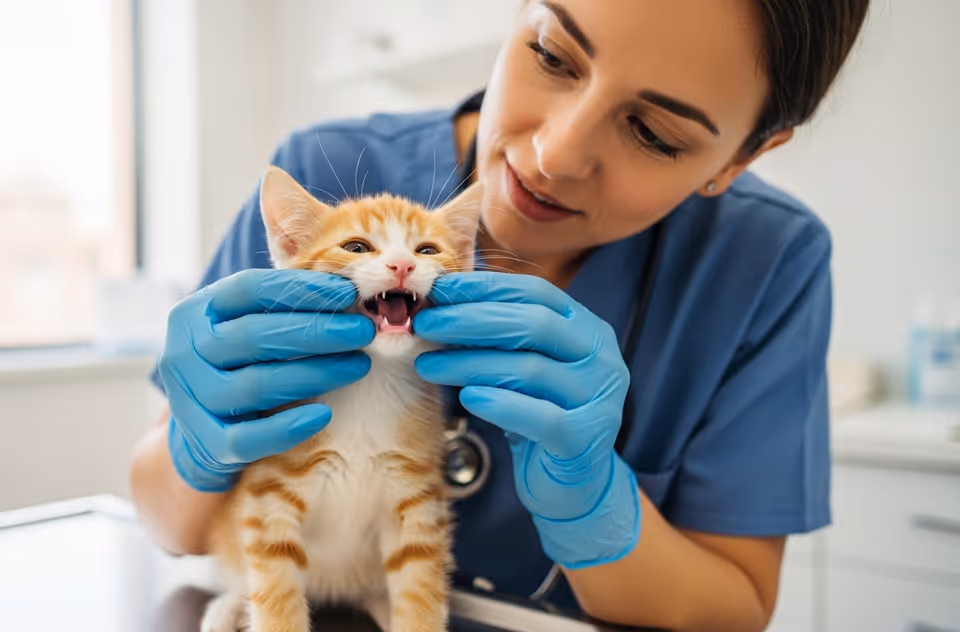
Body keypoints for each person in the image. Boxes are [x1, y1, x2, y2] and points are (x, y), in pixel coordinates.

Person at [129, 1, 871, 629]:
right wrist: (199, 443)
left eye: (654, 134)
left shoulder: (767, 260)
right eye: (552, 54)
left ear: (740, 157)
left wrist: (595, 508)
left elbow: (736, 605)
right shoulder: (327, 179)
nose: (554, 154)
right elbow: (168, 521)